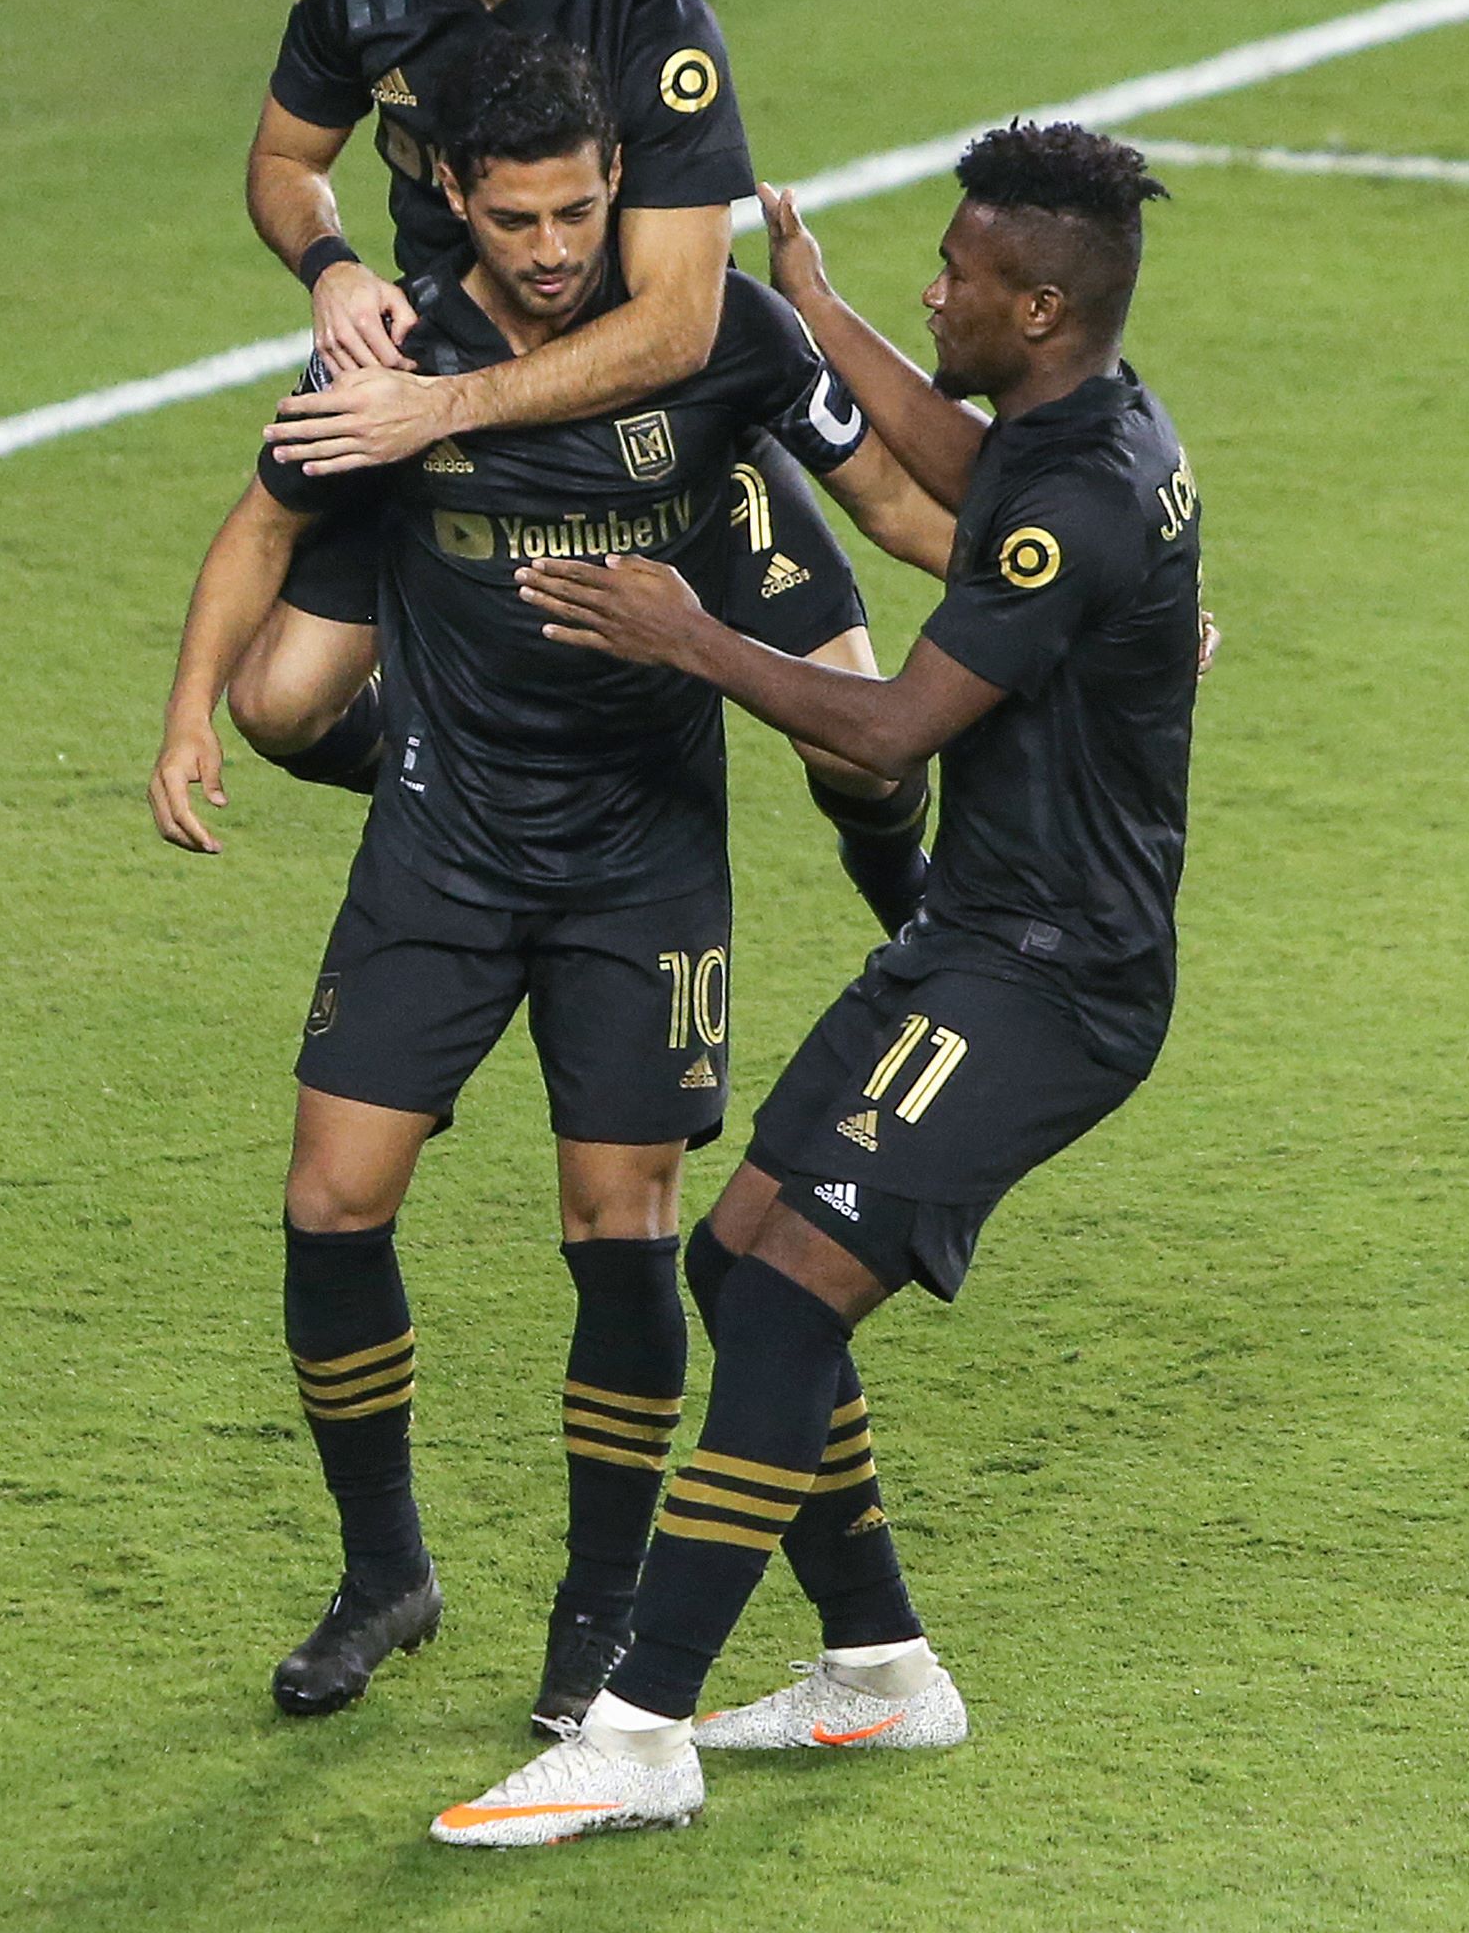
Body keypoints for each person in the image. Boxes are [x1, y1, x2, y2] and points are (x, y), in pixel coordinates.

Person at [152, 37, 953, 1736]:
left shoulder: (719, 331)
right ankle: (386, 1576)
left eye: (582, 209)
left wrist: (1100, 587)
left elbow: (890, 497)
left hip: (640, 863)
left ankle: (592, 1629)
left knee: (623, 1229)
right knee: (330, 1199)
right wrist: (184, 720)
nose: (551, 247)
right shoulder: (399, 348)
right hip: (441, 846)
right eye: (516, 216)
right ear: (454, 196)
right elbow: (263, 522)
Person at [432, 124, 1200, 1847]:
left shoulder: (1072, 508)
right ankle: (876, 1669)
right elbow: (955, 452)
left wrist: (686, 633)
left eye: (962, 275)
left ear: (1045, 303)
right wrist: (827, 311)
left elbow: (889, 729)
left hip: (1052, 984)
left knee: (788, 1301)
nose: (942, 285)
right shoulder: (1089, 427)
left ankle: (634, 1732)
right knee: (734, 1258)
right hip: (977, 942)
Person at [233, 0, 936, 932]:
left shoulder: (650, 26)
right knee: (281, 704)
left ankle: (909, 906)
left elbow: (677, 325)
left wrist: (437, 406)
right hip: (442, 419)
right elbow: (286, 164)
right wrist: (331, 265)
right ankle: (449, 781)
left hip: (649, 430)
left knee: (866, 754)